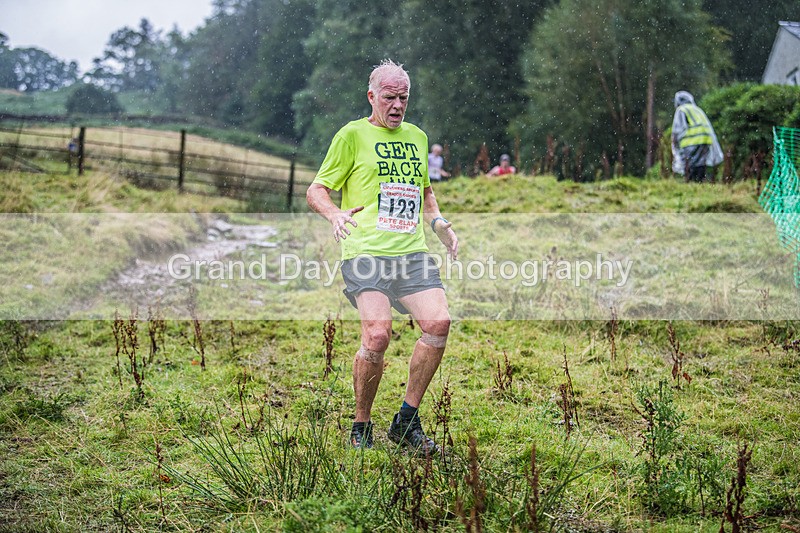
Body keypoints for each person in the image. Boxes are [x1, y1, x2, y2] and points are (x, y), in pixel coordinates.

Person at [306, 60, 458, 456]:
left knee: (438, 323)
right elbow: (317, 189)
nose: (396, 106)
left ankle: (406, 421)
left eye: (403, 98)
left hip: (410, 252)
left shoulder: (418, 137)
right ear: (371, 96)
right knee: (377, 336)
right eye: (389, 97)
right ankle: (361, 425)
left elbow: (425, 192)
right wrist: (334, 213)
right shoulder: (351, 135)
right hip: (366, 251)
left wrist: (439, 223)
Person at [671, 91, 723, 182]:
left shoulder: (681, 110)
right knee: (700, 164)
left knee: (691, 165)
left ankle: (691, 184)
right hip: (706, 140)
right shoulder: (697, 109)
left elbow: (678, 129)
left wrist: (675, 144)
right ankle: (699, 183)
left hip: (691, 142)